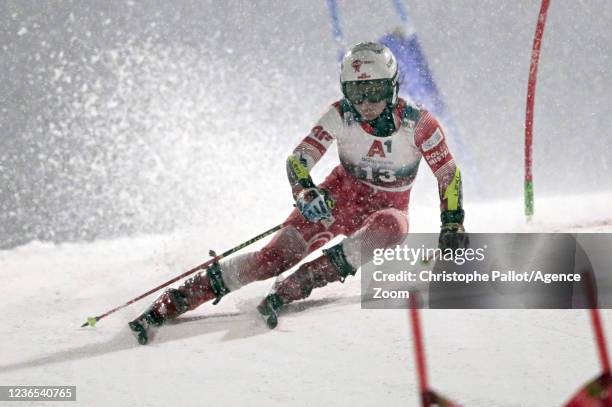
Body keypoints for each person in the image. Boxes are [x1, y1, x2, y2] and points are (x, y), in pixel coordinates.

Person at [128, 42, 465, 344]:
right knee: (273, 259)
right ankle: (181, 297)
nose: (366, 103)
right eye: (356, 92)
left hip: (385, 209)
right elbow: (299, 158)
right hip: (338, 199)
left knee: (394, 228)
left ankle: (304, 281)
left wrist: (452, 223)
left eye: (375, 90)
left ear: (393, 86)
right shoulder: (340, 114)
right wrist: (305, 191)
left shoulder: (419, 124)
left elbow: (447, 173)